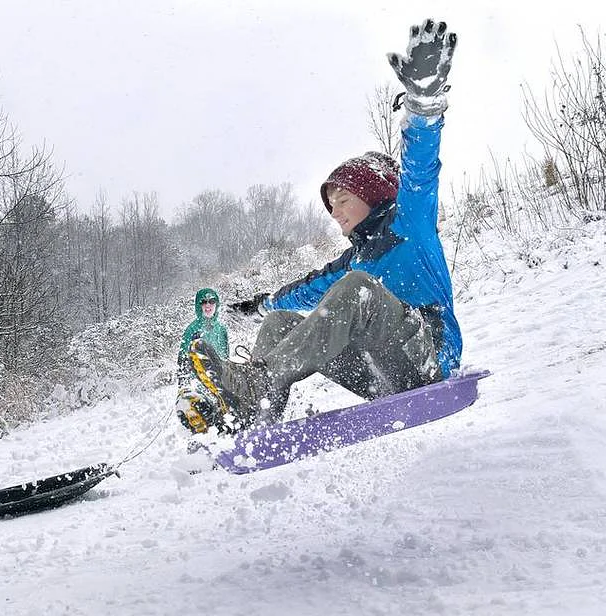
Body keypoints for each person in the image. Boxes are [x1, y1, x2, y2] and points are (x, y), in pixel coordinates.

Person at [189, 18, 462, 430]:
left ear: (372, 197)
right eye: (331, 205)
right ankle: (256, 409)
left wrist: (423, 106)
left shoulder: (411, 224)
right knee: (281, 323)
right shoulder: (354, 260)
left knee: (356, 290)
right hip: (380, 375)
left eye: (343, 200)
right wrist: (262, 304)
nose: (334, 212)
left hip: (428, 355)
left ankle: (255, 382)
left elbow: (421, 170)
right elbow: (305, 289)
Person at [176, 288, 229, 433]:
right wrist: (184, 387)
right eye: (203, 302)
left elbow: (225, 358)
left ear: (216, 304)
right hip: (199, 385)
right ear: (198, 306)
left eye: (212, 301)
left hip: (218, 385)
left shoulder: (221, 330)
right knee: (204, 423)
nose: (208, 305)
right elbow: (182, 361)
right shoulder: (191, 330)